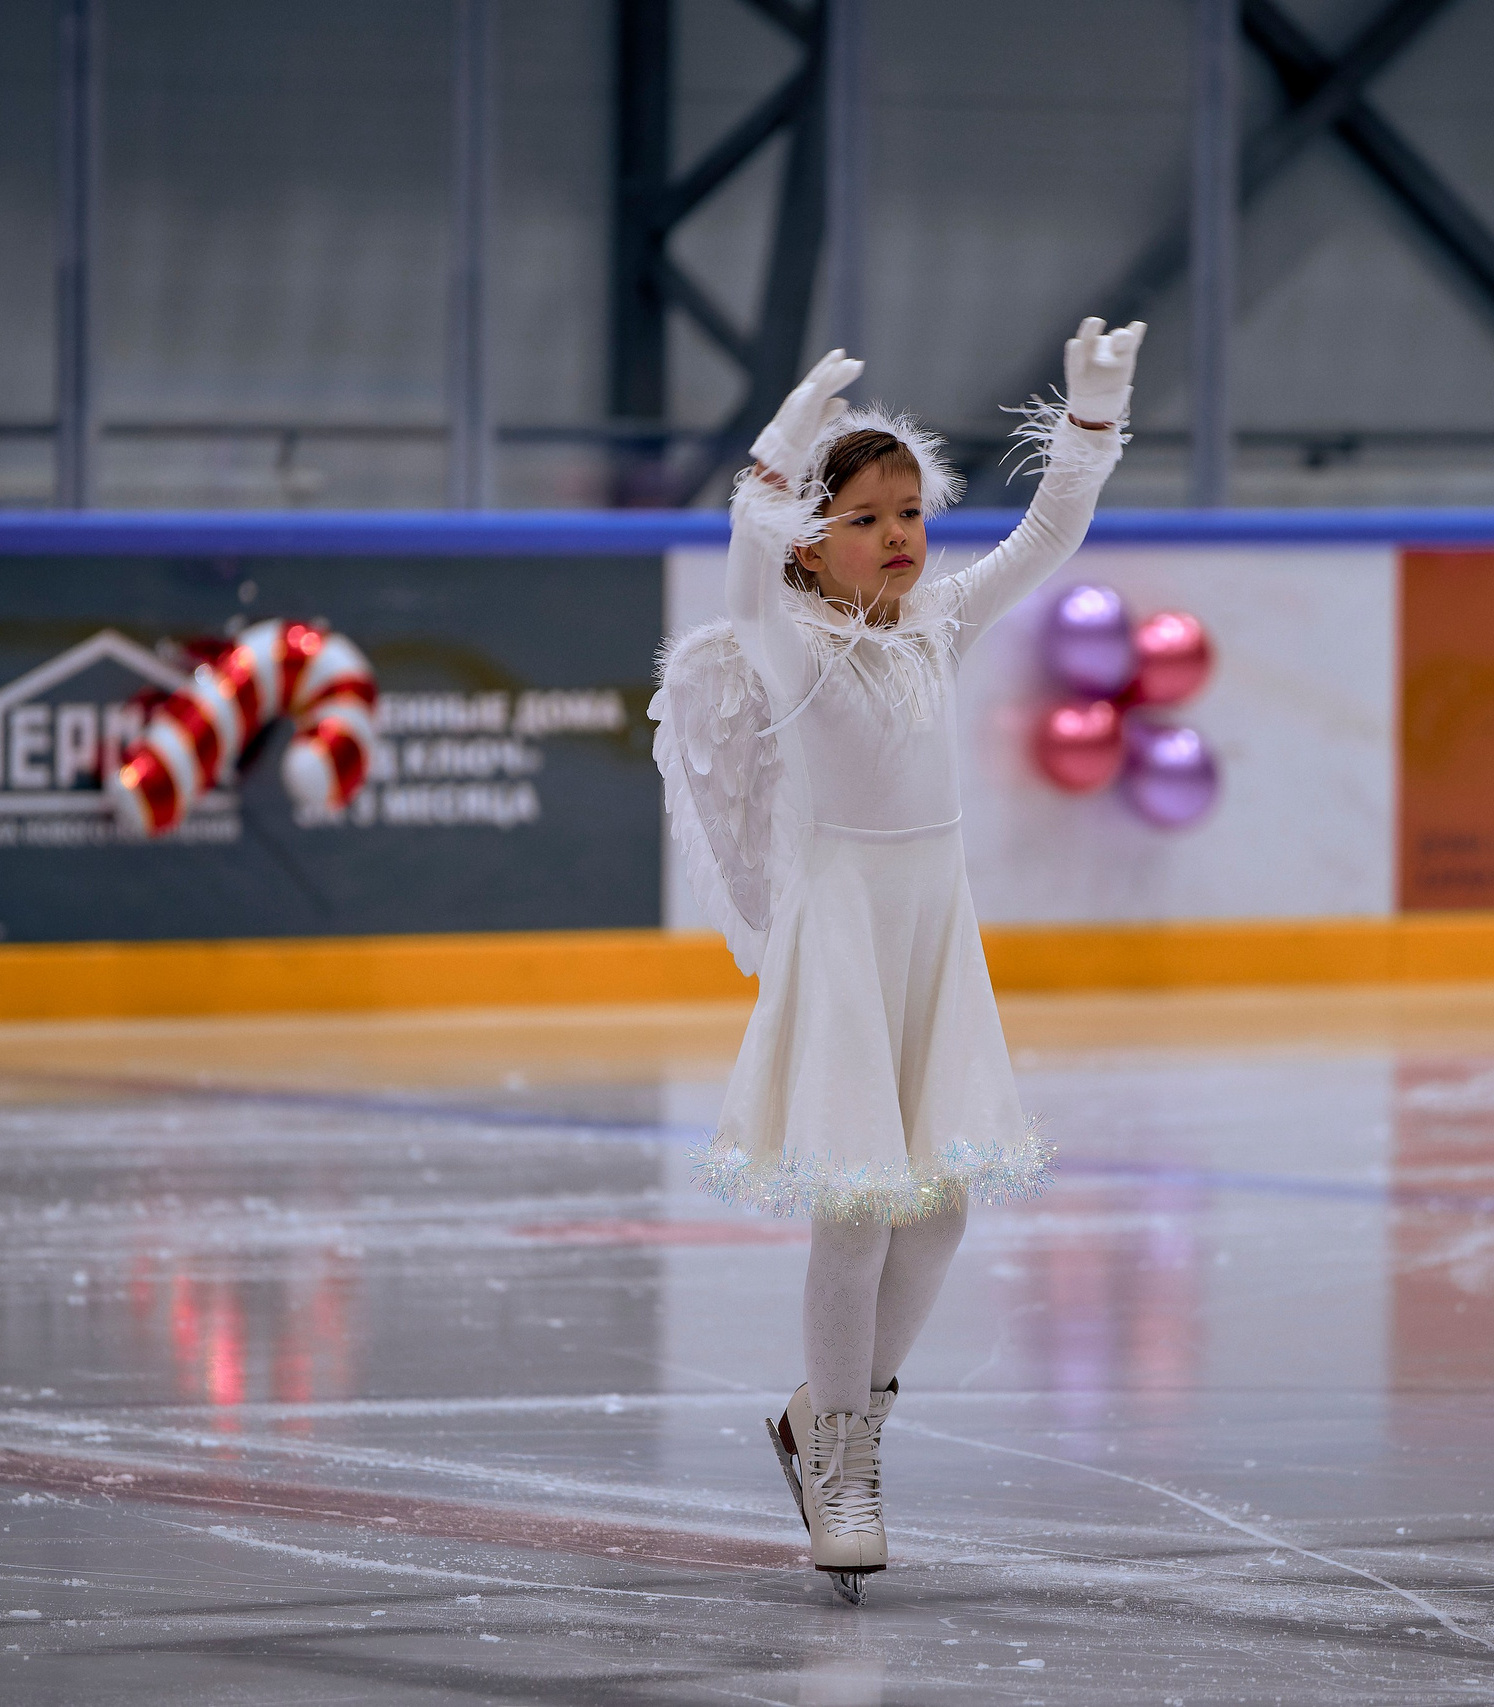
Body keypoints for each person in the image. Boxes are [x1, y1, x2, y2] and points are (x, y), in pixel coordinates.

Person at [649, 318, 1146, 1602]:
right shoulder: (785, 641)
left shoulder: (935, 626)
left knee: (946, 1200)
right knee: (860, 1204)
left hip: (932, 930)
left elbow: (1040, 542)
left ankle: (830, 1409)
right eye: (866, 517)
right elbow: (744, 564)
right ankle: (845, 1461)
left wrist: (1089, 426)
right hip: (845, 941)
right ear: (814, 536)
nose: (900, 535)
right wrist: (775, 448)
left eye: (911, 512)